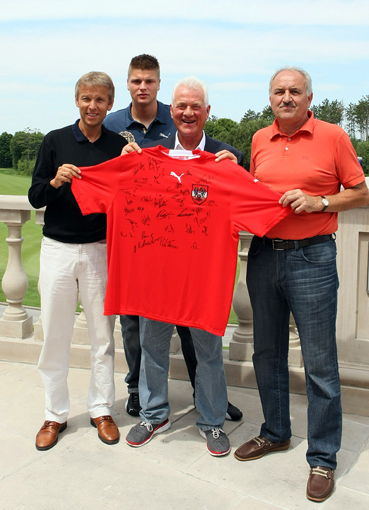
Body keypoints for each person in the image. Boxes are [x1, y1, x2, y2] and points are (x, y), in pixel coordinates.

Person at [233, 67, 369, 502]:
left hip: (313, 255)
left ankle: (323, 457)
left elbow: (361, 192)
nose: (286, 97)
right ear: (269, 98)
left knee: (319, 362)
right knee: (267, 351)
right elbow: (249, 192)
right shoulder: (257, 140)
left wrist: (320, 201)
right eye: (279, 91)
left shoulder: (333, 136)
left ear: (310, 98)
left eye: (295, 91)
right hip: (263, 255)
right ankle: (275, 432)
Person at [105, 55, 243, 423]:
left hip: (203, 277)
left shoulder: (227, 159)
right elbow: (117, 190)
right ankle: (153, 411)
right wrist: (124, 162)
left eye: (194, 106)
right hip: (158, 274)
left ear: (206, 111)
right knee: (151, 346)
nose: (187, 112)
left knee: (207, 348)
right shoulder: (149, 156)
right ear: (173, 109)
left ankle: (210, 409)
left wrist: (238, 173)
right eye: (181, 106)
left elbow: (256, 199)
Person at [28, 72, 127, 450]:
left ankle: (101, 408)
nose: (93, 106)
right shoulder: (54, 140)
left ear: (109, 103)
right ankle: (55, 414)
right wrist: (54, 181)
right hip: (57, 249)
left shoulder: (118, 146)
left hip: (101, 250)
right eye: (86, 98)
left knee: (102, 337)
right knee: (55, 335)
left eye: (100, 100)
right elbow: (36, 197)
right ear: (76, 100)